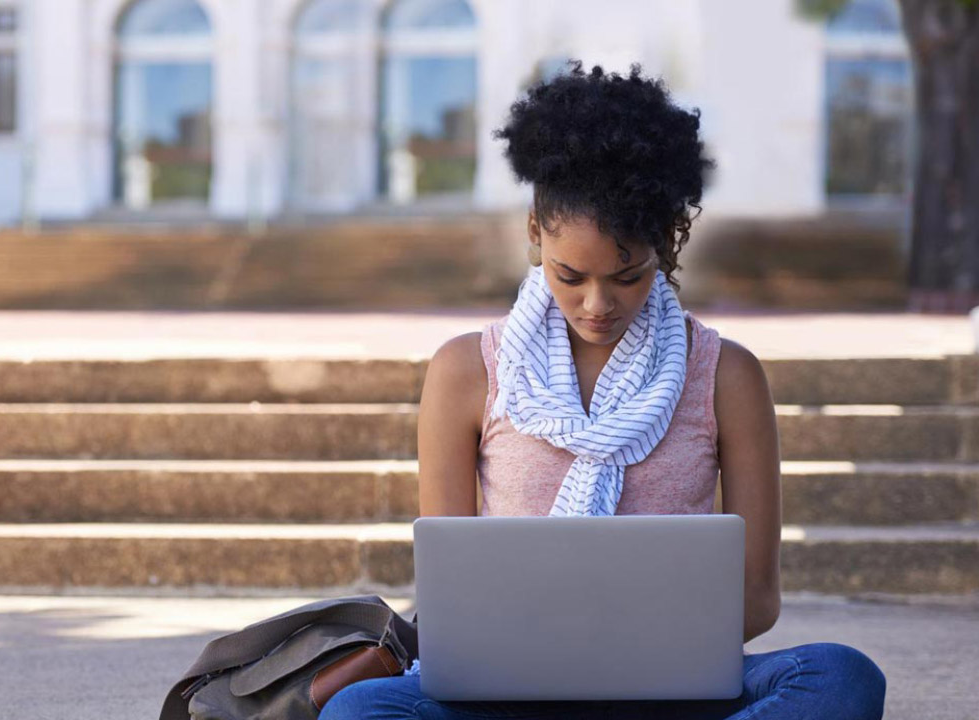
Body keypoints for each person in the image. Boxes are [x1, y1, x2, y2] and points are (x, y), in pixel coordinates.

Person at [317, 61, 887, 720]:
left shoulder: (727, 375)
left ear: (668, 242)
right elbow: (450, 601)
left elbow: (756, 596)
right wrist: (542, 652)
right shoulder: (466, 371)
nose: (596, 305)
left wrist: (634, 650)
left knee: (840, 678)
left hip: (671, 684)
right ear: (534, 229)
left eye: (628, 276)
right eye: (570, 275)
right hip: (513, 685)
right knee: (360, 709)